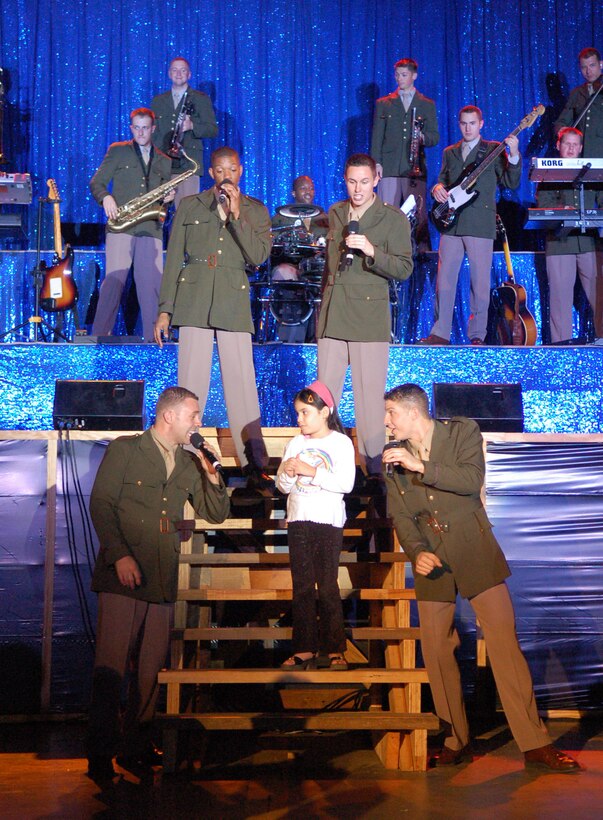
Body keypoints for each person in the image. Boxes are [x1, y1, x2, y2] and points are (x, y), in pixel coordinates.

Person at [382, 383, 581, 772]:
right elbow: (401, 516)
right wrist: (416, 551)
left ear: (412, 412)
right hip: (433, 560)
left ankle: (534, 743)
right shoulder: (393, 459)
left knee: (504, 643)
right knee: (438, 651)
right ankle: (457, 737)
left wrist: (422, 466)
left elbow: (470, 481)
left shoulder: (462, 432)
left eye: (391, 413)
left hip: (474, 550)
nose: (386, 422)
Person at [86, 386, 230, 782]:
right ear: (170, 416)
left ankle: (135, 746)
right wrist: (120, 555)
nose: (199, 422)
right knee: (111, 666)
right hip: (123, 574)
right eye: (194, 415)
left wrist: (210, 474)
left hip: (161, 576)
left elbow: (216, 514)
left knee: (149, 669)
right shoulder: (126, 450)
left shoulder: (187, 462)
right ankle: (99, 753)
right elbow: (101, 504)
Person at [154, 147, 272, 483]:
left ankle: (254, 465)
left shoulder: (255, 210)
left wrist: (236, 214)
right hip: (193, 301)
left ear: (241, 171)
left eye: (232, 170)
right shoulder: (191, 206)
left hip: (232, 303)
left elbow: (258, 256)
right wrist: (166, 310)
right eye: (220, 171)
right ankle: (187, 460)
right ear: (211, 173)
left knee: (242, 386)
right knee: (190, 385)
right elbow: (174, 258)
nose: (226, 177)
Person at [317, 153, 413, 477]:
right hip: (334, 315)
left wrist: (372, 251)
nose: (357, 189)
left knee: (369, 402)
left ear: (376, 179)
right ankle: (327, 466)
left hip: (369, 318)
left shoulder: (393, 218)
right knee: (323, 400)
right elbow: (329, 268)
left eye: (364, 181)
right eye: (351, 181)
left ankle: (374, 475)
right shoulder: (336, 213)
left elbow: (404, 268)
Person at [420, 105, 521, 345]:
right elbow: (443, 180)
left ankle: (477, 335)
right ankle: (440, 333)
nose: (467, 128)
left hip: (479, 223)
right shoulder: (450, 152)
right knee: (444, 280)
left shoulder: (494, 150)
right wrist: (436, 189)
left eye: (472, 123)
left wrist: (515, 154)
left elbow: (511, 182)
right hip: (451, 224)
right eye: (464, 123)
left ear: (481, 124)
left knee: (479, 282)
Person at [276, 381, 356, 669]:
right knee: (302, 587)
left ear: (325, 412)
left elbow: (345, 483)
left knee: (327, 586)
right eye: (297, 413)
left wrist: (312, 470)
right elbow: (283, 486)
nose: (299, 419)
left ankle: (335, 648)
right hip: (299, 520)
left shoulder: (340, 443)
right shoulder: (295, 443)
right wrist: (286, 473)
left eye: (305, 412)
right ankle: (304, 647)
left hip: (327, 522)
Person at [90, 108, 174, 341]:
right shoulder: (118, 151)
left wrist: (168, 198)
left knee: (152, 289)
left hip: (151, 228)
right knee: (113, 285)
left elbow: (166, 197)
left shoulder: (165, 161)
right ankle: (99, 339)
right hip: (121, 226)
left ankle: (154, 342)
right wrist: (105, 197)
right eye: (136, 127)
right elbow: (97, 183)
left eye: (145, 127)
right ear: (131, 128)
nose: (140, 132)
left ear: (153, 129)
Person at [536, 127, 602, 343]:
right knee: (560, 301)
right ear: (558, 146)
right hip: (559, 244)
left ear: (581, 148)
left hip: (589, 244)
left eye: (575, 145)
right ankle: (561, 349)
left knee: (599, 297)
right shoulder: (547, 174)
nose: (571, 148)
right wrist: (563, 208)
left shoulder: (592, 172)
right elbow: (544, 206)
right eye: (567, 144)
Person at [370, 58, 439, 253]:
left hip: (414, 170)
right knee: (387, 213)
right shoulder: (384, 103)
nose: (399, 78)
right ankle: (383, 254)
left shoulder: (426, 104)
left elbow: (435, 137)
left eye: (404, 75)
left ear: (414, 76)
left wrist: (421, 137)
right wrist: (377, 163)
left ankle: (420, 256)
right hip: (390, 168)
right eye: (397, 75)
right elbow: (377, 136)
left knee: (417, 215)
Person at [151, 57, 218, 209]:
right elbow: (153, 133)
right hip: (162, 165)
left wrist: (192, 125)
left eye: (183, 70)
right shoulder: (158, 101)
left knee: (185, 212)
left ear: (189, 74)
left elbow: (212, 129)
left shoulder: (201, 99)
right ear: (169, 74)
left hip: (187, 165)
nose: (179, 73)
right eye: (175, 70)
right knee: (156, 213)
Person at [270, 176, 328, 343]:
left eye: (311, 188)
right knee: (285, 273)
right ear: (293, 193)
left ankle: (320, 336)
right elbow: (272, 245)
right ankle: (291, 337)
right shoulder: (280, 218)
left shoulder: (324, 219)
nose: (308, 192)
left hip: (314, 269)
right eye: (303, 189)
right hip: (289, 266)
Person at [554, 48, 603, 158]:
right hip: (581, 157)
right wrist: (561, 129)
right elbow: (562, 121)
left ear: (601, 64)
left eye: (592, 65)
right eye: (584, 67)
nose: (588, 71)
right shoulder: (577, 93)